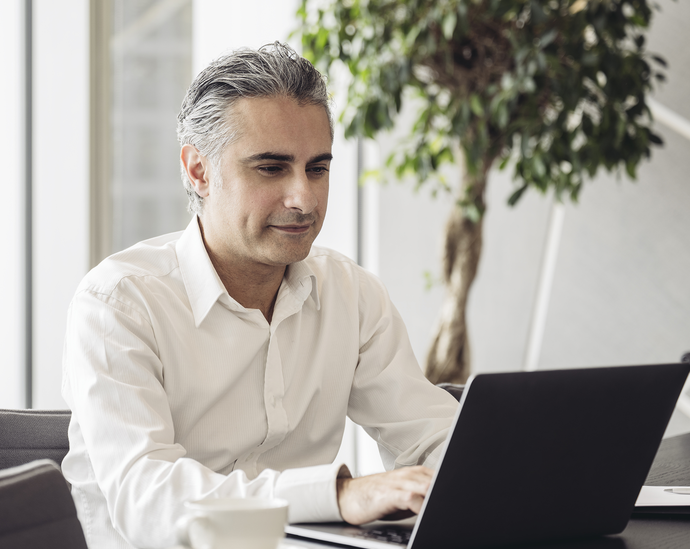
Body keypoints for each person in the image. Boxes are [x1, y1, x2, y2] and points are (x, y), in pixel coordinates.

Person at [61, 42, 459, 549]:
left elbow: (431, 436)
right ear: (198, 171)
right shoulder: (117, 304)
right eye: (271, 168)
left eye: (318, 168)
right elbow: (150, 499)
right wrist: (335, 497)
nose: (305, 198)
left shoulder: (350, 293)